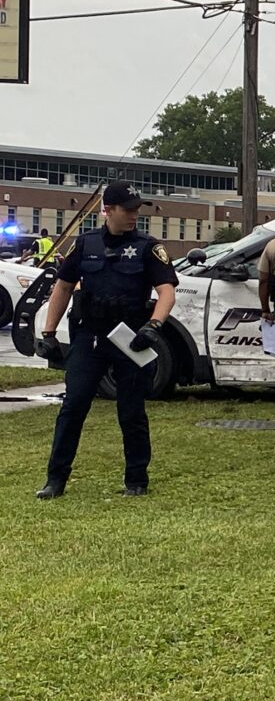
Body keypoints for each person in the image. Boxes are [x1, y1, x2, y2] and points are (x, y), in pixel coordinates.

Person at [33, 181, 178, 499]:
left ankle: (137, 480)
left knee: (131, 410)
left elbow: (166, 291)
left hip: (131, 337)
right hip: (91, 335)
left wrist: (154, 325)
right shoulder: (86, 244)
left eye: (137, 210)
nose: (134, 216)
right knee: (73, 406)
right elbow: (64, 286)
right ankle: (55, 479)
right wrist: (48, 332)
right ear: (107, 210)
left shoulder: (147, 247)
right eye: (127, 210)